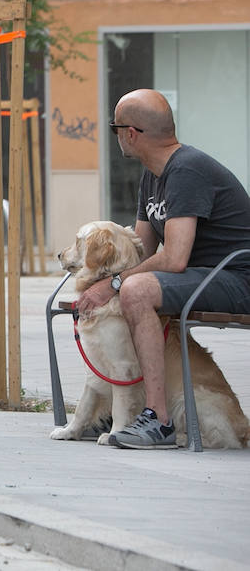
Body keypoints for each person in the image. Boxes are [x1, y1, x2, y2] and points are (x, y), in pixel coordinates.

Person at [77, 88, 250, 449]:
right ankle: (118, 411)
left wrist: (114, 283)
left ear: (131, 133)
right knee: (124, 288)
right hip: (201, 276)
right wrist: (98, 280)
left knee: (135, 290)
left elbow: (173, 259)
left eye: (115, 128)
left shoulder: (187, 169)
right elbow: (140, 254)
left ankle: (158, 420)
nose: (117, 136)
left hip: (235, 278)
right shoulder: (153, 174)